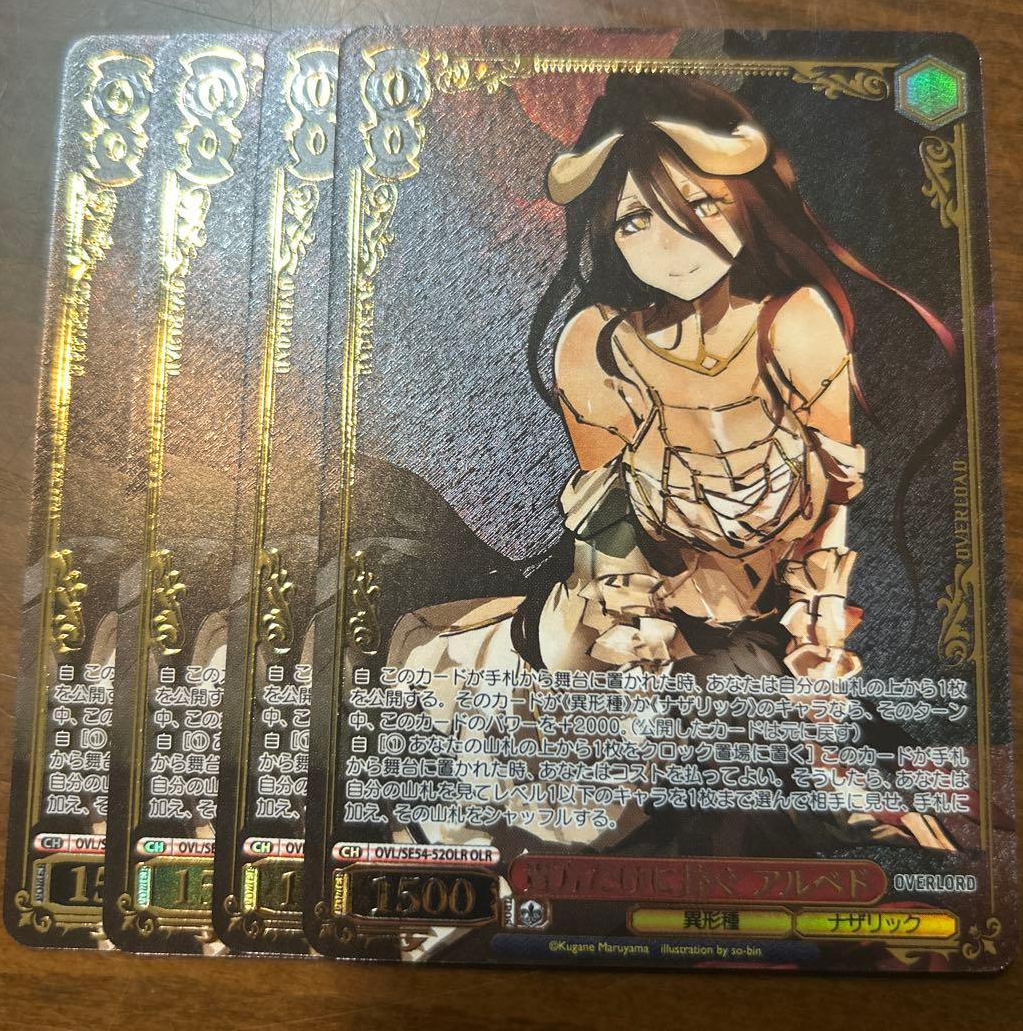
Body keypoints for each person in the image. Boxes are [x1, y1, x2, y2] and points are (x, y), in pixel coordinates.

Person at [388, 73, 959, 856]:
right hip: (618, 614)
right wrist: (645, 649)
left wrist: (818, 656)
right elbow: (608, 530)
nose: (670, 247)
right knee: (569, 756)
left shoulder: (796, 325)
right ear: (607, 232)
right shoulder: (599, 346)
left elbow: (828, 510)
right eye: (634, 220)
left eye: (700, 205)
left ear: (745, 201)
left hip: (758, 627)